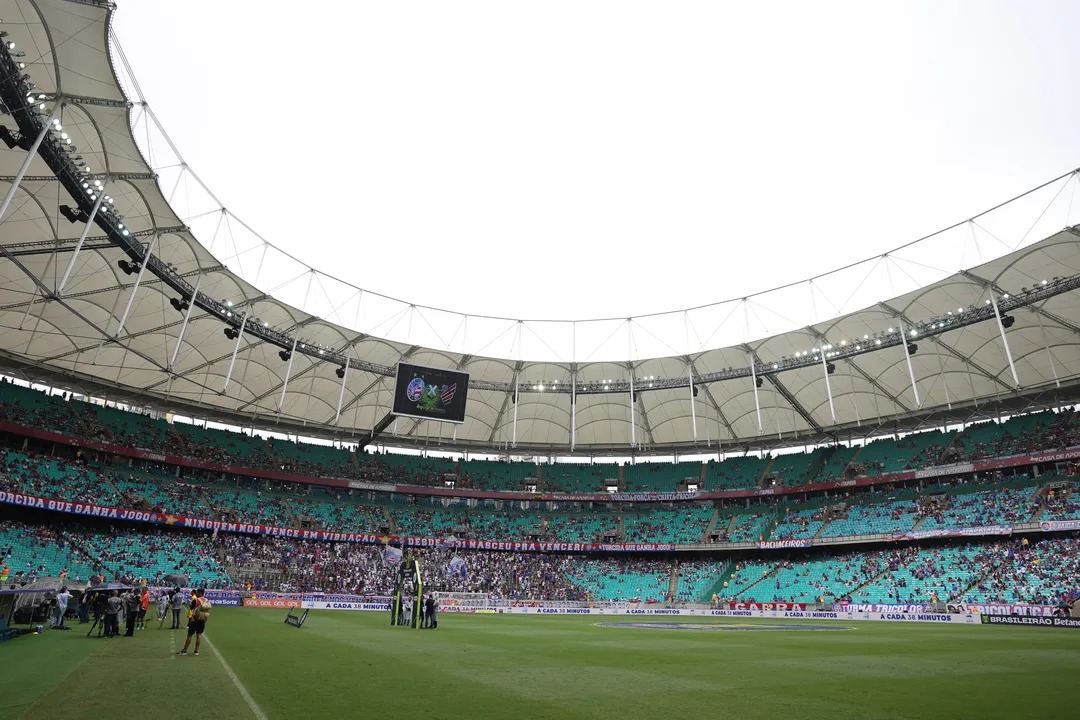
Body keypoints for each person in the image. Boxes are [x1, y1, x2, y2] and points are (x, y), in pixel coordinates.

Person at [178, 589, 211, 656]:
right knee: (198, 634)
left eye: (197, 592)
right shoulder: (206, 600)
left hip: (195, 619)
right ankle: (196, 651)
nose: (196, 593)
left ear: (200, 593)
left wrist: (190, 604)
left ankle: (184, 650)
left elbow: (191, 608)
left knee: (190, 634)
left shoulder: (196, 600)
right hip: (202, 619)